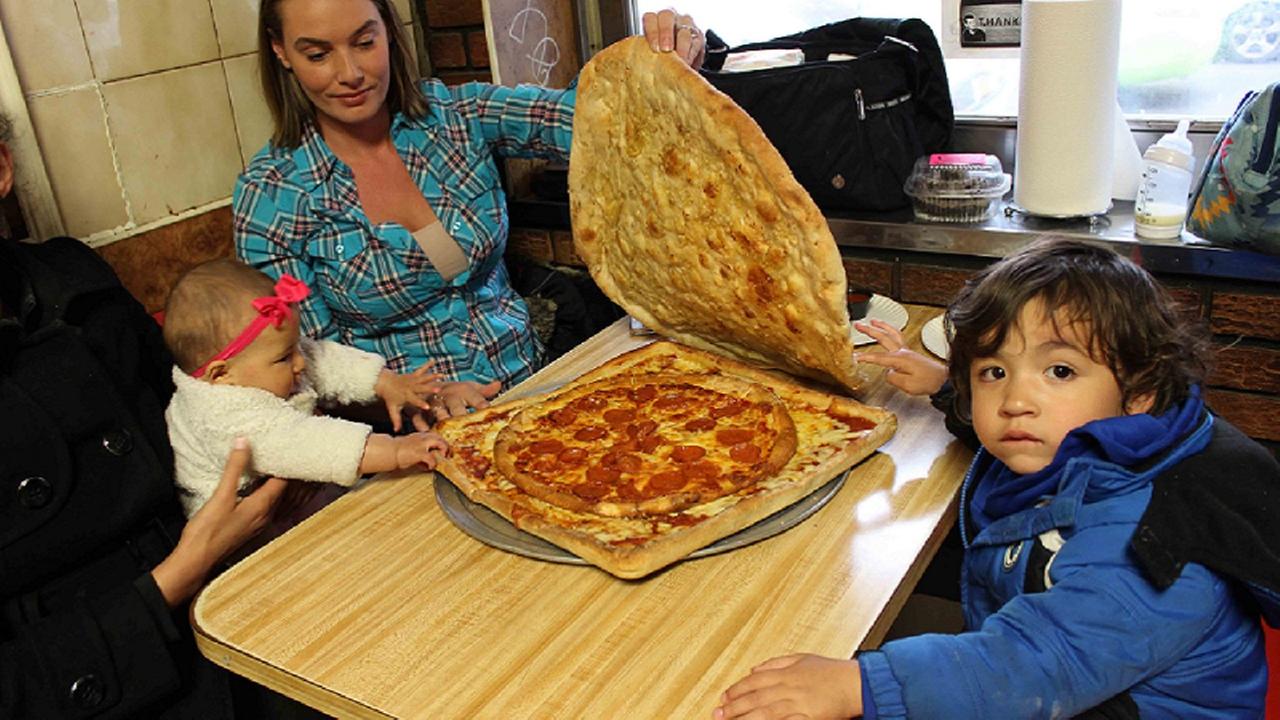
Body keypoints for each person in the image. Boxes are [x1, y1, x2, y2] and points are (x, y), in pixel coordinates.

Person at [715, 238, 1279, 718]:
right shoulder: (1087, 436)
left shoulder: (1147, 541)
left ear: (1140, 392)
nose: (1015, 401)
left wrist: (860, 686)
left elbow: (1033, 665)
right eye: (994, 371)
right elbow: (1022, 422)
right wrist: (946, 386)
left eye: (1060, 371)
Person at [233, 0, 705, 409]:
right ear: (281, 51)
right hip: (411, 440)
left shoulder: (455, 118)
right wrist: (423, 399)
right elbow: (310, 367)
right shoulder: (273, 197)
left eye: (364, 42)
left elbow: (590, 117)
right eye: (318, 54)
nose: (350, 72)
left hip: (540, 387)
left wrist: (665, 58)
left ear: (388, 32)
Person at [0, 115, 319, 716]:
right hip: (117, 680)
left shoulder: (74, 280)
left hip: (249, 593)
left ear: (1, 168)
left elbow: (201, 406)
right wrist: (176, 577)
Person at [163, 259, 449, 520]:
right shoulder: (220, 417)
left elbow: (322, 359)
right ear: (221, 374)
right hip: (252, 529)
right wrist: (397, 450)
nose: (300, 362)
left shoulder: (253, 366)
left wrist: (385, 382)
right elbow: (311, 443)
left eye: (296, 347)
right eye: (284, 358)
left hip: (308, 492)